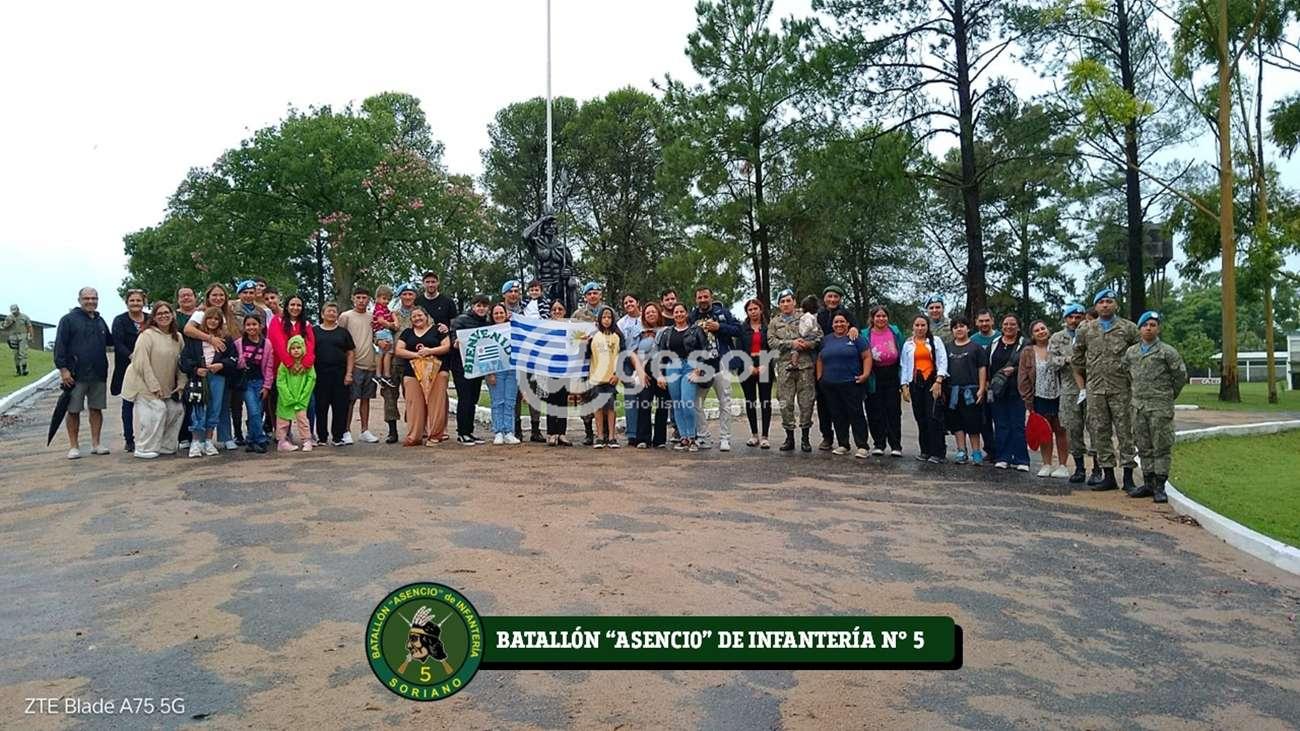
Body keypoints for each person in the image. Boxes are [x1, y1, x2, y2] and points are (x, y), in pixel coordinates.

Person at [1071, 288, 1141, 492]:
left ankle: (1128, 477)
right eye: (1101, 302)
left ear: (1116, 305)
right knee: (1099, 432)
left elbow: (1138, 355)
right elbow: (1077, 357)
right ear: (1096, 306)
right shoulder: (1086, 329)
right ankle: (1108, 475)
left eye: (1109, 301)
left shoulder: (1128, 328)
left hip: (1121, 389)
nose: (1105, 305)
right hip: (1096, 389)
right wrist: (1087, 377)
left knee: (1125, 433)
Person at [1122, 312, 1187, 502]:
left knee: (1161, 446)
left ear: (1158, 328)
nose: (1149, 328)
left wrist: (1168, 395)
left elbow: (1180, 376)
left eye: (1153, 325)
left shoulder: (1167, 352)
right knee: (1143, 446)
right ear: (1139, 328)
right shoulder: (1131, 352)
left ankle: (1160, 486)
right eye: (1145, 325)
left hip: (1160, 407)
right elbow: (1127, 373)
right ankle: (1148, 482)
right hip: (1138, 406)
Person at [119, 300, 185, 459]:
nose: (163, 316)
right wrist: (153, 386)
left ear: (172, 315)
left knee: (176, 409)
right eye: (159, 314)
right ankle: (144, 447)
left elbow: (181, 363)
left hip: (166, 385)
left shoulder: (178, 337)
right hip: (142, 384)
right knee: (157, 410)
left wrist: (181, 383)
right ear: (154, 317)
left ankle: (165, 445)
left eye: (166, 313)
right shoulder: (146, 335)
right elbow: (141, 363)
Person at [54, 287, 114, 459]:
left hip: (98, 373)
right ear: (79, 300)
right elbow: (60, 346)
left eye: (94, 298)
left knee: (96, 409)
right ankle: (74, 446)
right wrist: (63, 370)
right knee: (73, 410)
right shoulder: (68, 320)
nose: (90, 301)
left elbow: (111, 341)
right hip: (75, 374)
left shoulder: (100, 320)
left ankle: (96, 444)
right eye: (86, 298)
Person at [183, 283, 239, 449]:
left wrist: (225, 362)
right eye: (214, 295)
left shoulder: (228, 314)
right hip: (203, 367)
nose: (218, 298)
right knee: (201, 405)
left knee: (221, 404)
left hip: (222, 367)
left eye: (221, 295)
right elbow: (188, 330)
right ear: (207, 297)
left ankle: (223, 437)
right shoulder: (200, 313)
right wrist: (210, 338)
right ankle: (198, 440)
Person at [688, 286, 740, 452]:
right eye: (700, 297)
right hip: (702, 365)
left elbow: (738, 330)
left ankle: (725, 438)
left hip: (722, 362)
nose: (703, 300)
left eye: (706, 296)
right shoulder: (692, 316)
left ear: (711, 297)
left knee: (724, 402)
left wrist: (720, 327)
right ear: (696, 299)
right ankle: (703, 436)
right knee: (696, 402)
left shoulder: (723, 313)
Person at [1049, 303, 1096, 484]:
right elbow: (1051, 361)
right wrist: (1068, 360)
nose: (1074, 320)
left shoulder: (1093, 334)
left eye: (1078, 317)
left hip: (1092, 386)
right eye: (1071, 317)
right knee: (1072, 428)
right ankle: (1079, 468)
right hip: (1069, 389)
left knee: (1095, 427)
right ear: (1065, 319)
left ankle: (1098, 469)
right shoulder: (1057, 338)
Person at [654, 302, 709, 452]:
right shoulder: (667, 332)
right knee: (676, 403)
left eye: (681, 311)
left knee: (687, 402)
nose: (679, 314)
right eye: (676, 312)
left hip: (690, 366)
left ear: (686, 313)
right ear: (673, 315)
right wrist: (659, 374)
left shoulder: (695, 330)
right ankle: (683, 437)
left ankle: (692, 437)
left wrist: (699, 368)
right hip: (672, 367)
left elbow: (705, 349)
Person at [770, 289, 820, 452]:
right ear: (779, 305)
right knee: (785, 403)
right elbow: (771, 342)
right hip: (785, 367)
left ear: (794, 302)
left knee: (806, 402)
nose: (785, 304)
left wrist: (807, 344)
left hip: (805, 366)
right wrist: (791, 344)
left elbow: (818, 336)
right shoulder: (775, 322)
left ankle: (805, 438)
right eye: (782, 301)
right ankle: (789, 437)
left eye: (788, 300)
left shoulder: (806, 317)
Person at [816, 312, 872, 458]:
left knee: (856, 414)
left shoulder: (855, 338)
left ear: (848, 324)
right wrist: (820, 377)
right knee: (837, 415)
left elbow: (867, 356)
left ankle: (862, 446)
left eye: (842, 321)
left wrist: (865, 374)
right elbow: (820, 359)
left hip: (851, 383)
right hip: (830, 384)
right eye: (836, 322)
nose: (839, 324)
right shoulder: (826, 340)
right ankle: (843, 444)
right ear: (832, 325)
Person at [1020, 320, 1070, 478]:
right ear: (1032, 335)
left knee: (1061, 430)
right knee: (1044, 432)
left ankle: (1063, 465)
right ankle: (1046, 464)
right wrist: (1028, 400)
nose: (1041, 332)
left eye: (1043, 328)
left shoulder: (1057, 347)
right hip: (1039, 397)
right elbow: (1023, 377)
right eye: (1037, 330)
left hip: (1060, 395)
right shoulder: (1028, 352)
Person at [814, 285, 858, 451]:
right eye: (829, 296)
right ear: (824, 298)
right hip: (823, 364)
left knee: (845, 406)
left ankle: (845, 440)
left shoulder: (847, 315)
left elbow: (856, 331)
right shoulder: (818, 316)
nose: (832, 300)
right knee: (823, 404)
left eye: (836, 297)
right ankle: (827, 436)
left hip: (843, 368)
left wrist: (854, 328)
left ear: (840, 299)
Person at [267, 294, 316, 440]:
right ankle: (282, 435)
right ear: (287, 306)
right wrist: (289, 363)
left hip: (303, 371)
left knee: (308, 401)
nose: (295, 308)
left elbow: (310, 345)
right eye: (292, 305)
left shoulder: (306, 324)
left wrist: (305, 364)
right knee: (282, 401)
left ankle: (308, 434)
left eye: (299, 305)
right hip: (282, 368)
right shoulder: (277, 321)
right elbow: (278, 343)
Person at [587, 305, 637, 448]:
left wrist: (617, 375)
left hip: (611, 378)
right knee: (598, 407)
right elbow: (586, 355)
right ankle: (599, 436)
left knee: (611, 407)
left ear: (613, 319)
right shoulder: (594, 337)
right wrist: (584, 343)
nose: (606, 320)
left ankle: (612, 437)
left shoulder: (617, 337)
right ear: (599, 319)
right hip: (596, 378)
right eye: (604, 317)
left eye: (609, 317)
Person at [900, 315, 947, 462]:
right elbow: (904, 365)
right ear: (913, 327)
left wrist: (939, 380)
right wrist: (904, 385)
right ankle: (925, 450)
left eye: (923, 325)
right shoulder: (908, 344)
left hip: (932, 382)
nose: (920, 328)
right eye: (917, 325)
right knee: (920, 417)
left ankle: (938, 452)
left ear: (927, 327)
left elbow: (942, 360)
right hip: (916, 382)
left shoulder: (935, 341)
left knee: (933, 416)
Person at [338, 287, 381, 444]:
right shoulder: (346, 316)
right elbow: (339, 338)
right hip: (353, 364)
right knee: (350, 399)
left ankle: (364, 430)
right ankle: (346, 430)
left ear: (369, 300)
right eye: (359, 297)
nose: (361, 301)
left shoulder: (372, 317)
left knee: (366, 398)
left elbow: (376, 336)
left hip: (370, 363)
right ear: (353, 298)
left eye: (364, 298)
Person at [944, 316, 988, 465]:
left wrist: (981, 388)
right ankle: (961, 450)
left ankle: (976, 452)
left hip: (971, 391)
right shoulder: (947, 348)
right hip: (953, 392)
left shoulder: (976, 348)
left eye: (962, 326)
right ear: (952, 330)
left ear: (968, 328)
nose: (959, 329)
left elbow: (982, 368)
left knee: (973, 423)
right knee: (957, 423)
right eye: (955, 327)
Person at [448, 294, 491, 445]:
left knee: (473, 399)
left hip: (478, 367)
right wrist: (455, 342)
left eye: (484, 306)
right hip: (461, 367)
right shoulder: (461, 320)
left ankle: (469, 431)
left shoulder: (487, 324)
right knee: (464, 398)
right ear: (473, 306)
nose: (481, 308)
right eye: (478, 305)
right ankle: (462, 432)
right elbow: (453, 337)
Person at [311, 303, 355, 447]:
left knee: (340, 406)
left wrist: (349, 373)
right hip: (319, 374)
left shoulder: (343, 332)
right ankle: (322, 437)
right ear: (322, 314)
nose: (331, 313)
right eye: (328, 311)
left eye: (334, 311)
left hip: (340, 374)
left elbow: (350, 353)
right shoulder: (314, 331)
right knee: (321, 406)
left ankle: (338, 436)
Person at [989, 314, 1029, 471]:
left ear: (1018, 327)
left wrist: (1015, 369)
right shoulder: (994, 343)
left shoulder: (1025, 344)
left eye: (1012, 324)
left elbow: (1030, 365)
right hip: (998, 390)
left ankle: (1021, 459)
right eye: (1006, 324)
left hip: (1017, 390)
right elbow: (988, 364)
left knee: (1017, 425)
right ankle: (1003, 457)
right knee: (1001, 425)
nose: (1009, 327)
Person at [864, 305, 905, 457]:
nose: (881, 319)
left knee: (893, 411)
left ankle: (896, 445)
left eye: (884, 316)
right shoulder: (865, 333)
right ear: (872, 318)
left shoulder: (895, 332)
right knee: (875, 410)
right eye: (878, 316)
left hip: (892, 374)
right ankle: (879, 443)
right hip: (874, 375)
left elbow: (903, 351)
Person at [111, 289, 148, 453]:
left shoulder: (150, 319)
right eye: (132, 300)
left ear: (144, 302)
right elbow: (117, 343)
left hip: (148, 367)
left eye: (138, 300)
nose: (135, 303)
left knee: (149, 404)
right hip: (127, 367)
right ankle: (129, 439)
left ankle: (148, 437)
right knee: (128, 404)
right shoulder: (120, 320)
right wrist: (132, 356)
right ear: (127, 303)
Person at [380, 284, 418, 443]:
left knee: (413, 397)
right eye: (404, 294)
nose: (407, 297)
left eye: (410, 294)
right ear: (400, 296)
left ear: (415, 296)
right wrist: (379, 341)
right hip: (393, 361)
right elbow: (379, 330)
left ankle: (413, 429)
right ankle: (392, 431)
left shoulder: (420, 314)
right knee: (389, 395)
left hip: (414, 361)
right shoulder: (391, 314)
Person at [232, 314, 274, 453]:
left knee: (257, 412)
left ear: (260, 326)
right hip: (246, 383)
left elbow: (269, 367)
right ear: (244, 327)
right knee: (254, 411)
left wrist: (267, 386)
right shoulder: (239, 343)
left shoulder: (267, 344)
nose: (251, 327)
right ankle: (260, 440)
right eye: (248, 325)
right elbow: (235, 363)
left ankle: (250, 439)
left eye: (254, 324)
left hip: (260, 382)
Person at [571, 282, 607, 445]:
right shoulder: (578, 314)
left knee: (603, 395)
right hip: (583, 361)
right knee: (585, 396)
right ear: (585, 296)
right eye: (589, 294)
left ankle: (604, 432)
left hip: (603, 360)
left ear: (600, 295)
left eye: (595, 293)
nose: (592, 296)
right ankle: (588, 432)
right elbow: (571, 337)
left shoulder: (608, 312)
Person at [630, 301, 669, 448]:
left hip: (663, 370)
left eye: (653, 311)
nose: (650, 314)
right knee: (645, 403)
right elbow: (632, 352)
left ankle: (660, 440)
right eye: (647, 313)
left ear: (659, 313)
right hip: (645, 371)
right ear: (643, 316)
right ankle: (643, 439)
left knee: (663, 404)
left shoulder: (666, 330)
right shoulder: (638, 332)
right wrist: (640, 371)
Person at [738, 298, 774, 449]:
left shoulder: (769, 328)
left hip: (764, 364)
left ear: (761, 310)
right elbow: (739, 349)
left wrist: (765, 364)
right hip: (746, 367)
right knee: (750, 401)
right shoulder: (742, 329)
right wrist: (749, 366)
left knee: (765, 401)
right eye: (750, 310)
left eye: (755, 309)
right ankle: (754, 435)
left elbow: (772, 347)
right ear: (747, 312)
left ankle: (765, 436)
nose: (753, 312)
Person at [485, 303, 521, 445]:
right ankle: (498, 431)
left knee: (510, 402)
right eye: (496, 313)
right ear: (492, 316)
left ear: (506, 314)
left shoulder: (514, 330)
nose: (499, 315)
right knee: (497, 402)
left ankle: (509, 432)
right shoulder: (487, 332)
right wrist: (490, 372)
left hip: (512, 370)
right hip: (495, 370)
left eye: (501, 313)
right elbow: (485, 354)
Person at [275, 335, 316, 452]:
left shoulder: (308, 365)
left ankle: (307, 440)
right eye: (293, 348)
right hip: (285, 399)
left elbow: (311, 380)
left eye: (298, 347)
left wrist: (304, 396)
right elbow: (280, 381)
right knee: (283, 421)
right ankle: (282, 442)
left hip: (301, 398)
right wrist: (287, 396)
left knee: (303, 420)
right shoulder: (284, 365)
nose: (296, 350)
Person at [544, 300, 574, 447]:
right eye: (554, 309)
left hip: (565, 369)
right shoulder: (546, 327)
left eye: (560, 309)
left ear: (565, 311)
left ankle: (562, 433)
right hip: (549, 369)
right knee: (551, 401)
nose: (557, 312)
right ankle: (551, 433)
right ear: (550, 312)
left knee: (563, 402)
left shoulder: (571, 327)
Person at [174, 287, 200, 450]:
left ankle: (195, 434)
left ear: (195, 297)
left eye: (189, 295)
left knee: (195, 399)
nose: (186, 298)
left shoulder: (202, 314)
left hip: (198, 360)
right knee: (181, 399)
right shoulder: (174, 317)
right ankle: (182, 436)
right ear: (178, 299)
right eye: (182, 296)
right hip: (178, 359)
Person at [971, 308, 999, 463]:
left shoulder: (1000, 337)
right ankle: (991, 450)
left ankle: (1003, 450)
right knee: (984, 420)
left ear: (992, 321)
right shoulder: (973, 340)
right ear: (976, 322)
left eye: (987, 320)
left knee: (1000, 420)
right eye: (981, 321)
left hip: (999, 385)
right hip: (980, 386)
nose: (984, 323)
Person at [372, 285, 397, 389]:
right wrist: (391, 325)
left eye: (388, 299)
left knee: (382, 353)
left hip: (381, 332)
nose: (386, 301)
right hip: (383, 331)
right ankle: (386, 375)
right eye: (384, 298)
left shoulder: (385, 308)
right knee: (389, 352)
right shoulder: (379, 308)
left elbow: (391, 314)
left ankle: (379, 375)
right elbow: (381, 320)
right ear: (377, 297)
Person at [1, 303, 33, 376]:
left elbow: (29, 326)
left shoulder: (24, 317)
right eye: (13, 312)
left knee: (22, 353)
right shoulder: (9, 317)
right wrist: (8, 323)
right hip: (13, 337)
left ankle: (24, 369)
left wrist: (31, 336)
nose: (14, 313)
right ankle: (18, 371)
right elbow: (4, 327)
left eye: (15, 311)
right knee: (15, 354)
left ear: (18, 309)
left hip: (22, 336)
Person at [796, 296, 820, 369]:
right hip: (813, 335)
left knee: (795, 349)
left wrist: (803, 334)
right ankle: (815, 365)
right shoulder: (815, 315)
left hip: (808, 335)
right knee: (813, 353)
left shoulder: (808, 316)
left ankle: (794, 362)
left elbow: (809, 326)